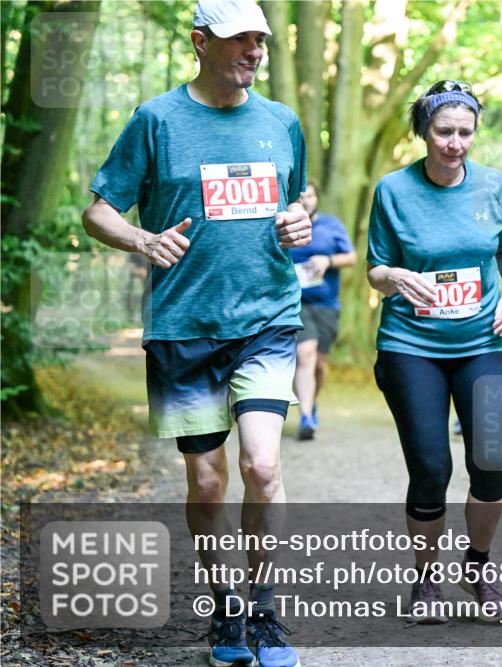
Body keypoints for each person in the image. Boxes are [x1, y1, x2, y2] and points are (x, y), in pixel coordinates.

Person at [81, 2, 309, 665]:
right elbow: (98, 211)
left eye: (260, 38)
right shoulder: (156, 121)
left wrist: (300, 217)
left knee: (262, 465)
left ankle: (265, 610)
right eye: (240, 39)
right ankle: (226, 608)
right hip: (183, 328)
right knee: (208, 483)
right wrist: (141, 239)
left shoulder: (281, 122)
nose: (254, 50)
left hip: (267, 317)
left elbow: (301, 195)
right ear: (200, 42)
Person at [367, 80, 502, 624]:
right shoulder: (393, 190)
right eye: (443, 132)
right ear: (424, 131)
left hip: (485, 341)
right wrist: (395, 277)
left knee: (494, 465)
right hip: (411, 345)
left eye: (465, 132)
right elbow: (375, 269)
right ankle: (426, 578)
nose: (455, 143)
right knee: (431, 468)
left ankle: (476, 567)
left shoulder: (495, 186)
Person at [289, 181, 356, 440]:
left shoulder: (331, 226)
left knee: (319, 363)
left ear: (317, 198)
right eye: (300, 197)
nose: (305, 201)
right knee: (304, 353)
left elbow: (351, 257)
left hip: (327, 304)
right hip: (295, 304)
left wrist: (328, 260)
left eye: (310, 195)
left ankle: (312, 403)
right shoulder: (285, 226)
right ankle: (306, 418)